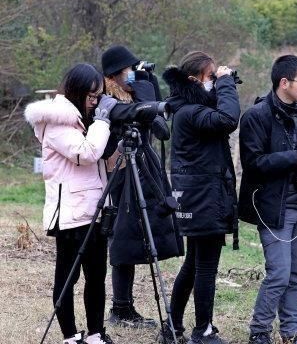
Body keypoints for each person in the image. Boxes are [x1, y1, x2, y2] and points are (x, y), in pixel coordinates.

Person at [238, 55, 297, 344]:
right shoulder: (256, 116)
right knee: (279, 274)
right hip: (272, 207)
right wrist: (296, 157)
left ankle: (291, 333)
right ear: (284, 83)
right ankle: (259, 331)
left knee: (295, 275)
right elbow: (253, 163)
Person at [24, 63, 117, 344]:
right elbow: (86, 154)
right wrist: (103, 121)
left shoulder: (84, 120)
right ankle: (69, 335)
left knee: (97, 276)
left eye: (98, 97)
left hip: (95, 209)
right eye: (91, 97)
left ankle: (96, 333)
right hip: (70, 213)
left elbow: (107, 162)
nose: (95, 102)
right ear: (77, 92)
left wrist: (118, 136)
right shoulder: (57, 121)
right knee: (68, 278)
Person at [100, 44, 183, 329]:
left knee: (138, 235)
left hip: (145, 166)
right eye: (128, 69)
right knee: (124, 236)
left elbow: (160, 124)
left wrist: (149, 83)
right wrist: (145, 99)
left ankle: (125, 306)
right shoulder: (106, 98)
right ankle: (121, 307)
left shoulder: (135, 91)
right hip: (121, 169)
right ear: (114, 73)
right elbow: (130, 116)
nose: (132, 74)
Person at [161, 51, 241, 344]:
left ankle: (172, 326)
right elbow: (229, 118)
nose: (215, 82)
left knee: (194, 263)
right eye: (211, 77)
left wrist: (221, 84)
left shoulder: (187, 107)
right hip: (204, 197)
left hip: (200, 196)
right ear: (195, 80)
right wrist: (227, 84)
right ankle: (202, 330)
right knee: (206, 266)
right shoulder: (191, 112)